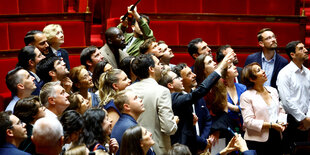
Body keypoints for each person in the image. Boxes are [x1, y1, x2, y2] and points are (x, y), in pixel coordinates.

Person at [159, 51, 233, 154]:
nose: (180, 79)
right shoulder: (174, 98)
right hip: (183, 149)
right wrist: (219, 69)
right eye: (177, 78)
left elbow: (205, 120)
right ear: (170, 85)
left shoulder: (179, 97)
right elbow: (201, 91)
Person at [126, 54, 178, 154]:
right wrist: (174, 122)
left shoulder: (128, 90)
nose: (161, 67)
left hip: (133, 147)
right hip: (156, 148)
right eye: (158, 64)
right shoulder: (162, 91)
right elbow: (168, 128)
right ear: (151, 69)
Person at [240, 62, 286, 155]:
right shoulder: (246, 96)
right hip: (257, 140)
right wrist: (271, 125)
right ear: (252, 78)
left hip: (276, 134)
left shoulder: (273, 90)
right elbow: (248, 121)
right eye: (259, 70)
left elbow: (281, 110)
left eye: (261, 68)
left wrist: (282, 122)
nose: (263, 71)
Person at [194, 54, 238, 147]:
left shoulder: (220, 82)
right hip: (203, 128)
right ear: (203, 70)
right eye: (209, 62)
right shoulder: (196, 87)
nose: (214, 63)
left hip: (220, 125)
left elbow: (224, 108)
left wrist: (217, 130)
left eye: (213, 60)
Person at [276, 41, 310, 154]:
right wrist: (303, 119)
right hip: (291, 120)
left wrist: (308, 118)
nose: (305, 50)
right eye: (301, 49)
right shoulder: (284, 73)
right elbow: (286, 101)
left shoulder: (308, 72)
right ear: (292, 54)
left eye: (304, 48)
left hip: (307, 120)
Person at [111, 90, 149, 155]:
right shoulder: (130, 127)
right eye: (135, 98)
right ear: (127, 106)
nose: (140, 100)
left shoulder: (125, 122)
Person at [221, 62, 247, 134]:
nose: (235, 67)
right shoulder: (220, 91)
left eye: (233, 65)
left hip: (245, 128)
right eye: (230, 67)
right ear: (225, 74)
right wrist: (239, 108)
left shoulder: (242, 87)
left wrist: (234, 108)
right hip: (228, 129)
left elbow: (248, 108)